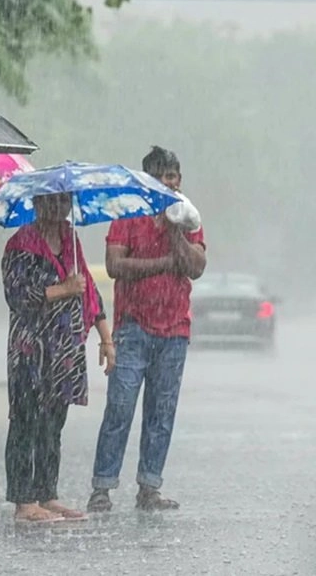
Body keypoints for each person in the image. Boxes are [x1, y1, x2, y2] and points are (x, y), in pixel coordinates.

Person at [88, 146, 206, 513]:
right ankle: (103, 487)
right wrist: (164, 263)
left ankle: (149, 487)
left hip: (174, 330)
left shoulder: (188, 219)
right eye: (158, 178)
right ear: (145, 182)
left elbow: (197, 266)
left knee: (162, 411)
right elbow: (114, 265)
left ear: (179, 181)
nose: (165, 184)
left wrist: (174, 233)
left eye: (171, 177)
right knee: (120, 407)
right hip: (133, 325)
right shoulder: (127, 212)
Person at [2, 192, 115, 523]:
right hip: (31, 349)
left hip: (64, 348)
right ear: (37, 205)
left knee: (53, 424)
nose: (59, 209)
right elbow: (17, 295)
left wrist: (106, 339)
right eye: (51, 202)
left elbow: (89, 291)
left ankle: (47, 494)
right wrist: (63, 289)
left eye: (64, 202)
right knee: (25, 421)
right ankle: (24, 501)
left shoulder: (70, 238)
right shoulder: (21, 244)